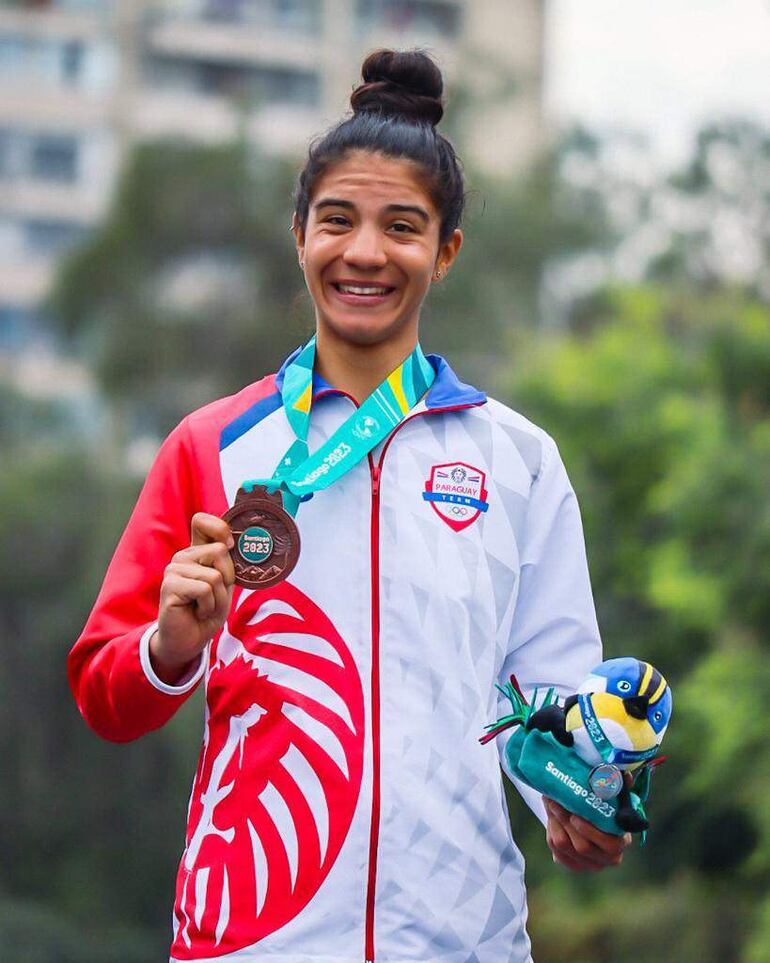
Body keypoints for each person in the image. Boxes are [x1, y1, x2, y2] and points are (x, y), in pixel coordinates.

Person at [68, 48, 629, 963]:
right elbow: (105, 691)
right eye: (338, 220)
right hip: (253, 938)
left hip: (460, 937)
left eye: (402, 227)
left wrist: (578, 794)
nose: (365, 252)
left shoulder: (518, 460)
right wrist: (171, 643)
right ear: (300, 234)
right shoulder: (211, 447)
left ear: (444, 252)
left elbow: (551, 695)